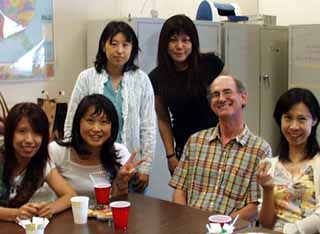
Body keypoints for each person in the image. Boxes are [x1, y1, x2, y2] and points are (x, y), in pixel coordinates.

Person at [64, 21, 156, 193]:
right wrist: (73, 158)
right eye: (113, 44)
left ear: (132, 48)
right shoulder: (87, 77)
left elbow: (148, 126)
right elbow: (72, 120)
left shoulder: (142, 80)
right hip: (93, 163)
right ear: (103, 46)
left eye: (125, 45)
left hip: (129, 166)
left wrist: (146, 167)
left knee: (129, 214)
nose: (119, 50)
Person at [169, 75, 271, 221]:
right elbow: (179, 190)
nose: (221, 98)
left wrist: (221, 226)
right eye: (215, 95)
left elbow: (256, 206)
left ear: (243, 98)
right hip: (192, 226)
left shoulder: (260, 149)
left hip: (231, 229)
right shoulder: (195, 141)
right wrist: (187, 220)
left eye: (227, 92)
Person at [149, 14, 227, 174]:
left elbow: (230, 102)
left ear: (193, 42)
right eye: (173, 40)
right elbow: (163, 119)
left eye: (185, 40)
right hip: (185, 149)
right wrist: (171, 156)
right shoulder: (157, 77)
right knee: (185, 197)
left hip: (219, 144)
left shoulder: (212, 64)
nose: (179, 46)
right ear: (165, 43)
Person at [51, 94, 143, 201]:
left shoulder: (120, 152)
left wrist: (121, 182)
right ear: (78, 122)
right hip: (64, 216)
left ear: (112, 126)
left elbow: (117, 203)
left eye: (104, 122)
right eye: (90, 120)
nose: (96, 129)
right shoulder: (57, 151)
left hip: (103, 216)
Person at [257, 88, 320, 233]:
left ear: (314, 120)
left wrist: (288, 231)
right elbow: (266, 224)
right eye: (288, 118)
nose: (293, 126)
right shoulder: (269, 165)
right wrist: (267, 189)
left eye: (302, 119)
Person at [0, 103, 75, 222]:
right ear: (10, 133)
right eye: (22, 131)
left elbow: (70, 195)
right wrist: (14, 214)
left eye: (37, 132)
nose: (30, 140)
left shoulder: (42, 164)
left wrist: (50, 208)